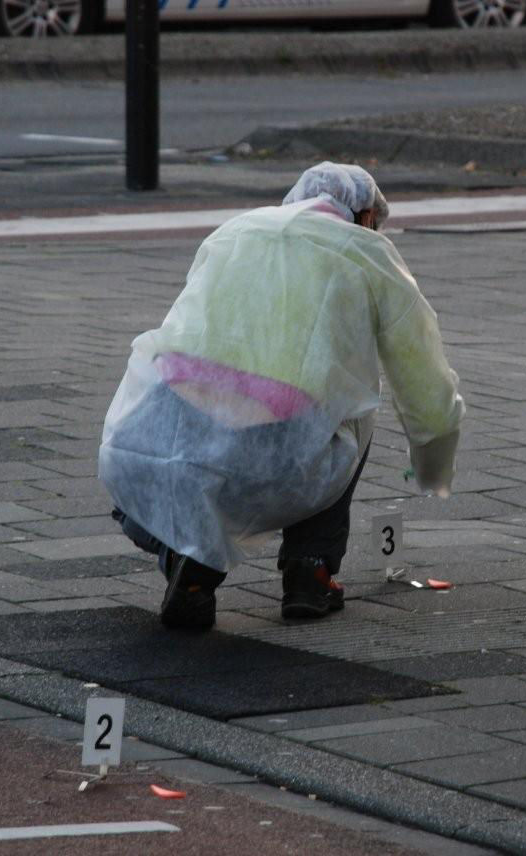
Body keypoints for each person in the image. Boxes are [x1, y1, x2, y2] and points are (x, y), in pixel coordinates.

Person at [98, 162, 464, 630]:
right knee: (351, 408)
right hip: (283, 446)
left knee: (207, 451)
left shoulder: (236, 229)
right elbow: (421, 373)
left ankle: (189, 561)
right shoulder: (369, 251)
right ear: (367, 213)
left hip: (150, 440)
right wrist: (433, 459)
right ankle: (309, 569)